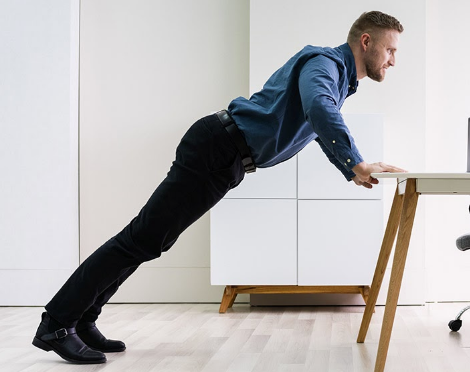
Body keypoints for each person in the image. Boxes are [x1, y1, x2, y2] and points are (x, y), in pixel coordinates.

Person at [32, 10, 406, 364]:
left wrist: (350, 168)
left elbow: (318, 125)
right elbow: (320, 110)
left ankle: (82, 318)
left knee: (148, 240)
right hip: (218, 147)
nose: (393, 60)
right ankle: (56, 324)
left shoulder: (338, 76)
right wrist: (355, 162)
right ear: (367, 41)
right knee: (141, 238)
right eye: (390, 50)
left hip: (225, 154)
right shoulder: (326, 64)